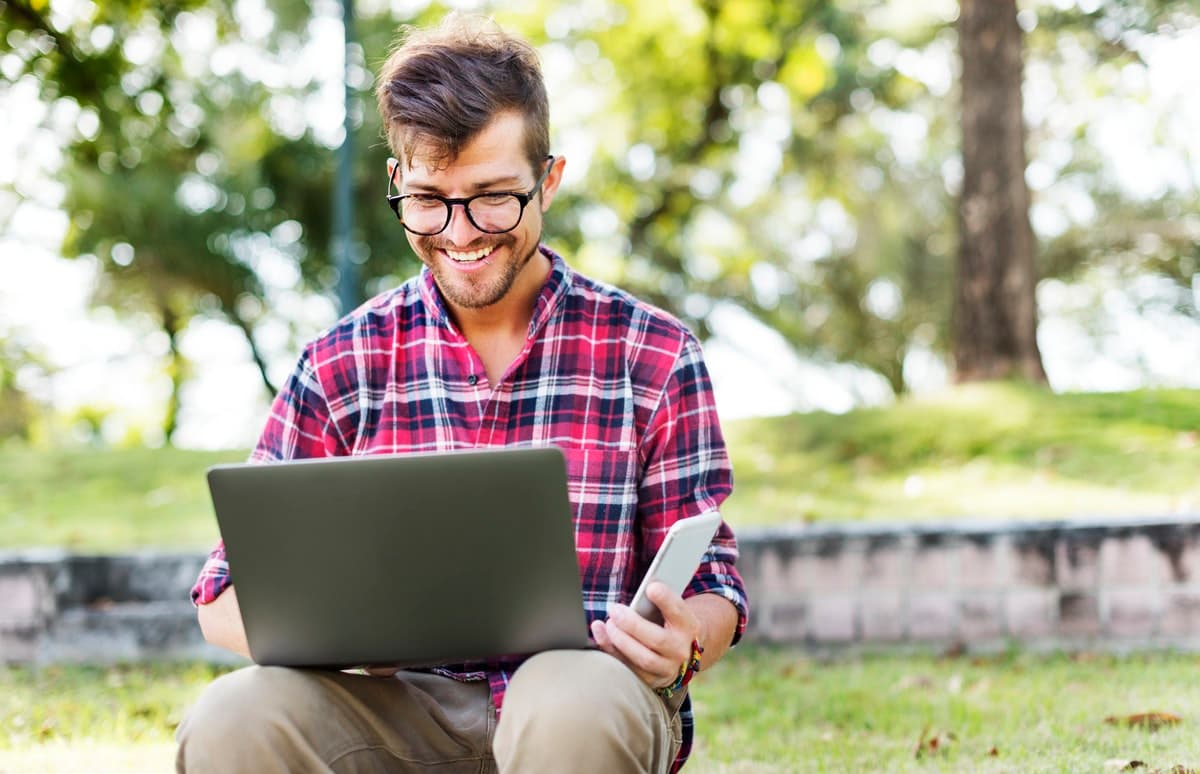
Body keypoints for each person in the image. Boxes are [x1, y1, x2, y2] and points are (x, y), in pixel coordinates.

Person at [175, 13, 748, 774]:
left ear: (549, 179)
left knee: (565, 698)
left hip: (580, 698)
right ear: (396, 184)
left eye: (492, 196)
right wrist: (353, 631)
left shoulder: (654, 351)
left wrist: (685, 643)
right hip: (399, 708)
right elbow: (223, 596)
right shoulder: (341, 361)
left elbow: (713, 584)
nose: (461, 232)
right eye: (429, 199)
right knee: (232, 717)